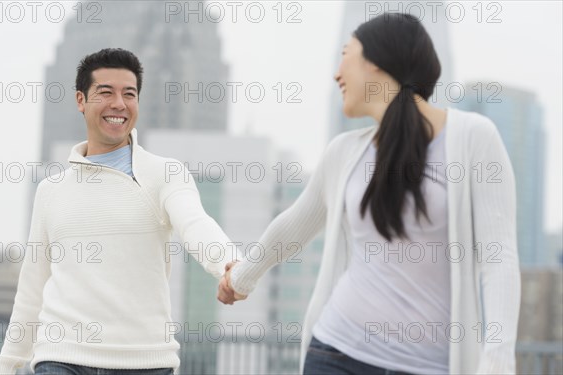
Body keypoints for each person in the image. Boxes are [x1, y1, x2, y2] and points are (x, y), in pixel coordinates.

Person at [218, 12, 521, 375]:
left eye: (346, 54)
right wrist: (241, 277)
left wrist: (498, 361)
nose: (336, 73)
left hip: (429, 368)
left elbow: (498, 257)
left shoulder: (473, 137)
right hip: (336, 355)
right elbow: (293, 228)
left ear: (376, 63)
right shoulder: (345, 152)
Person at [0, 48, 239, 375]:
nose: (119, 104)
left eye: (129, 94)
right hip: (61, 359)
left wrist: (228, 265)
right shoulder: (51, 191)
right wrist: (7, 366)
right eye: (105, 92)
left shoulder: (164, 173)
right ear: (81, 100)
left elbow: (195, 223)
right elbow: (31, 291)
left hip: (144, 362)